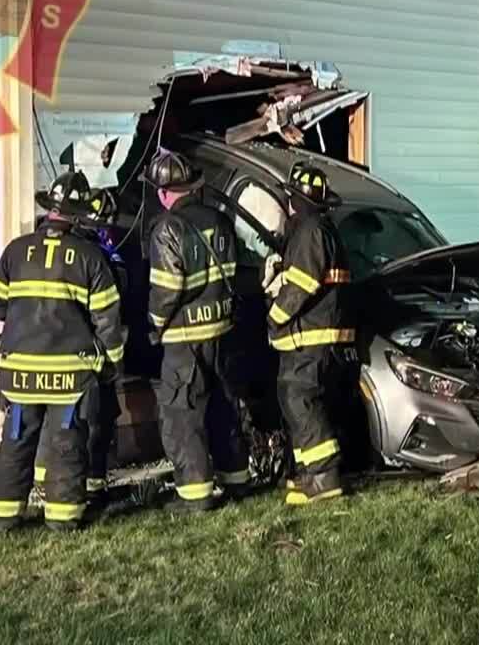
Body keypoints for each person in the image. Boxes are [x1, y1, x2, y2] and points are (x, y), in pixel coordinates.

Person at [0, 171, 127, 532]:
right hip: (69, 376)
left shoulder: (16, 250)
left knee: (15, 441)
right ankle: (62, 521)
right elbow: (108, 321)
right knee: (67, 445)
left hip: (18, 372)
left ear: (49, 211)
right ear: (78, 215)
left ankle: (2, 518)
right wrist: (112, 364)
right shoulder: (91, 257)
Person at [144, 150, 250, 513]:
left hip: (183, 339)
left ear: (163, 193)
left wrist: (154, 326)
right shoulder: (220, 221)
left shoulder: (166, 229)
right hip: (220, 331)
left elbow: (167, 289)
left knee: (182, 415)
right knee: (223, 407)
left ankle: (195, 494)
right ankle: (236, 478)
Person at [264, 164, 355, 506]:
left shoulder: (310, 232)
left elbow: (301, 286)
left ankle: (323, 478)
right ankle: (308, 474)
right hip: (322, 336)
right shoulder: (324, 230)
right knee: (302, 403)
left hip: (310, 337)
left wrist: (274, 318)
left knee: (300, 402)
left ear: (295, 200)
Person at [32, 185, 124, 513]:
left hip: (81, 351)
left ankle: (90, 485)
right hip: (82, 354)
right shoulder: (86, 254)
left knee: (92, 422)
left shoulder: (95, 250)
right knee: (75, 424)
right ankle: (59, 487)